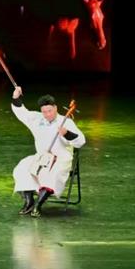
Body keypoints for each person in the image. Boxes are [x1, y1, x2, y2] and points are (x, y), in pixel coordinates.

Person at [11, 86, 85, 216]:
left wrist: (67, 133)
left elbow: (81, 141)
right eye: (44, 112)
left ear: (55, 108)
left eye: (50, 111)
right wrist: (16, 97)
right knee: (22, 168)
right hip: (42, 157)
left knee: (53, 174)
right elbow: (22, 113)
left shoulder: (66, 122)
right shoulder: (37, 119)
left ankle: (38, 205)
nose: (47, 114)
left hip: (61, 158)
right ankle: (29, 202)